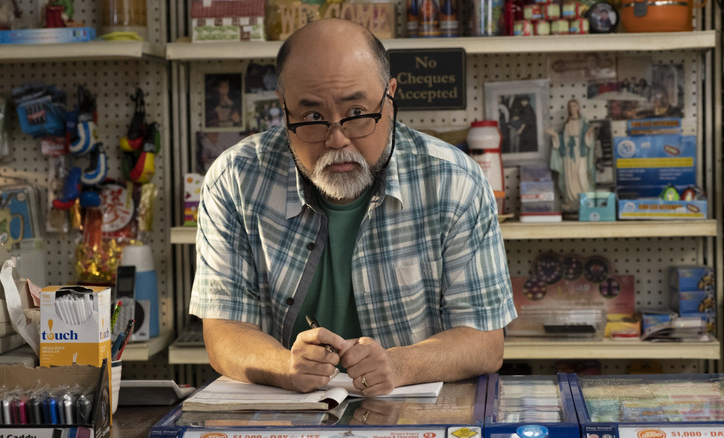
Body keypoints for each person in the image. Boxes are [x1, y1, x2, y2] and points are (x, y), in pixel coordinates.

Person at [189, 18, 516, 398]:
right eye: (311, 117)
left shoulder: (455, 181)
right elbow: (222, 332)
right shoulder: (235, 178)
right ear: (283, 107)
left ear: (390, 98)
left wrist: (397, 365)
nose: (336, 138)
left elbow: (485, 341)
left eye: (358, 112)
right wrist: (284, 366)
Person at [548, 99, 596, 214]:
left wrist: (588, 134)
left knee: (581, 175)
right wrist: (555, 136)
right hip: (568, 155)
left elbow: (589, 143)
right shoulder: (566, 124)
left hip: (580, 154)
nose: (572, 108)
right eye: (570, 106)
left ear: (578, 107)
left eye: (574, 106)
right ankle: (571, 200)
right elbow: (560, 140)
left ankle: (584, 199)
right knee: (569, 178)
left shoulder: (584, 123)